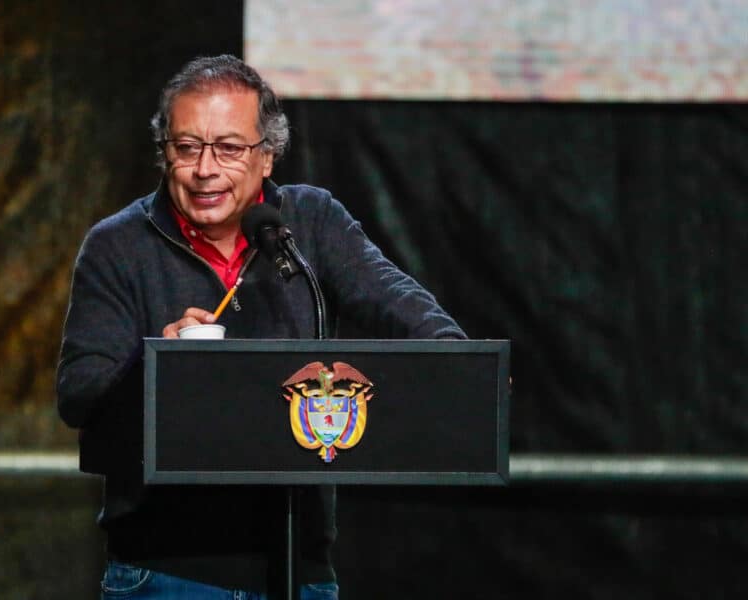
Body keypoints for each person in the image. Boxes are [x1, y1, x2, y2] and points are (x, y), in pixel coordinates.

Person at [56, 54, 466, 599]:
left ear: (267, 157)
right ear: (165, 153)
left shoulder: (311, 222)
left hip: (301, 565)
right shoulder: (116, 245)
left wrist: (459, 359)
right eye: (186, 148)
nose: (205, 169)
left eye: (229, 148)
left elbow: (393, 296)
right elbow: (79, 394)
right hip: (167, 571)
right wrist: (155, 363)